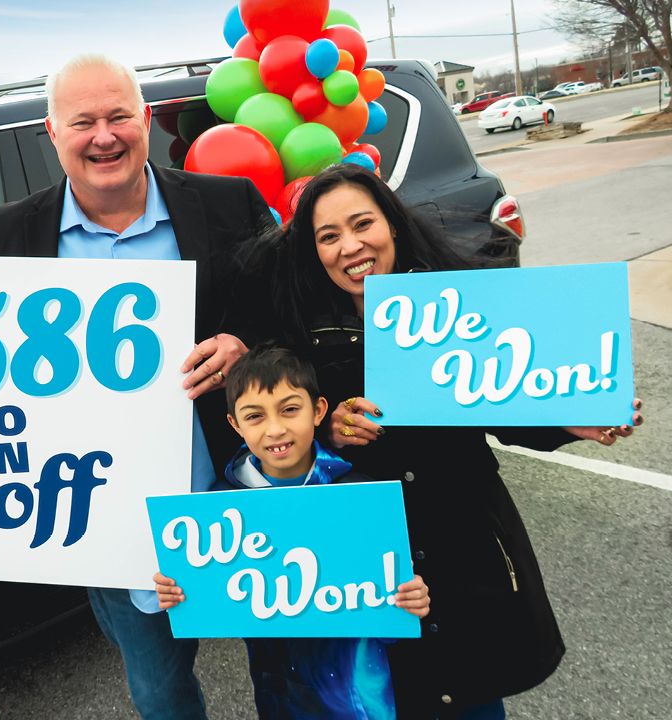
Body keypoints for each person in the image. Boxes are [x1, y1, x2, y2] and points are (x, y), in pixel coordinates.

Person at [230, 163, 644, 719]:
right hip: (367, 560)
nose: (350, 246)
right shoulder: (296, 327)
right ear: (312, 250)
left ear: (392, 224)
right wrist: (329, 430)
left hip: (460, 535)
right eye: (328, 237)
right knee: (384, 693)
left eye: (362, 224)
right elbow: (277, 435)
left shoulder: (455, 300)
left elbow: (508, 401)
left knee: (470, 692)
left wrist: (572, 422)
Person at [0, 54, 273, 719]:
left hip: (241, 491)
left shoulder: (228, 205)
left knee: (287, 662)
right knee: (160, 692)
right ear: (53, 133)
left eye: (119, 116)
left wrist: (246, 343)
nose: (104, 136)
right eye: (83, 122)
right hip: (106, 518)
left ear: (147, 120)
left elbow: (292, 307)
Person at [154, 345, 432, 719]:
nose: (275, 429)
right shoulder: (219, 510)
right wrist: (181, 589)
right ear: (234, 424)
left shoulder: (359, 497)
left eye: (289, 409)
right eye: (254, 416)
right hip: (278, 694)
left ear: (318, 411)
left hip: (359, 699)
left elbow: (388, 618)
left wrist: (408, 600)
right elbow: (213, 598)